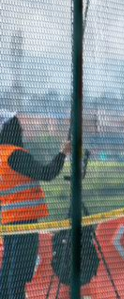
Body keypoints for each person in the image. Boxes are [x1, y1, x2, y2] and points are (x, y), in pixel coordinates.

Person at [0, 113, 69, 299]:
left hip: (9, 222)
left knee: (8, 269)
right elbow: (46, 173)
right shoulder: (15, 155)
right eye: (19, 127)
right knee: (19, 273)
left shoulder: (1, 155)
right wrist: (63, 154)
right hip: (25, 221)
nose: (22, 131)